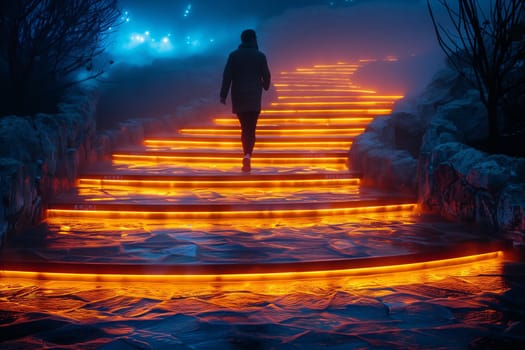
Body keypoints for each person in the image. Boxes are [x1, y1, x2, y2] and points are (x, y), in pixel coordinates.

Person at [220, 29, 271, 172]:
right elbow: (266, 75)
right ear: (253, 39)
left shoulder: (234, 56)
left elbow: (227, 76)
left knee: (244, 127)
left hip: (239, 96)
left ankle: (245, 153)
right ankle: (248, 154)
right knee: (251, 128)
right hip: (254, 96)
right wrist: (265, 86)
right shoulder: (260, 56)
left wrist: (223, 95)